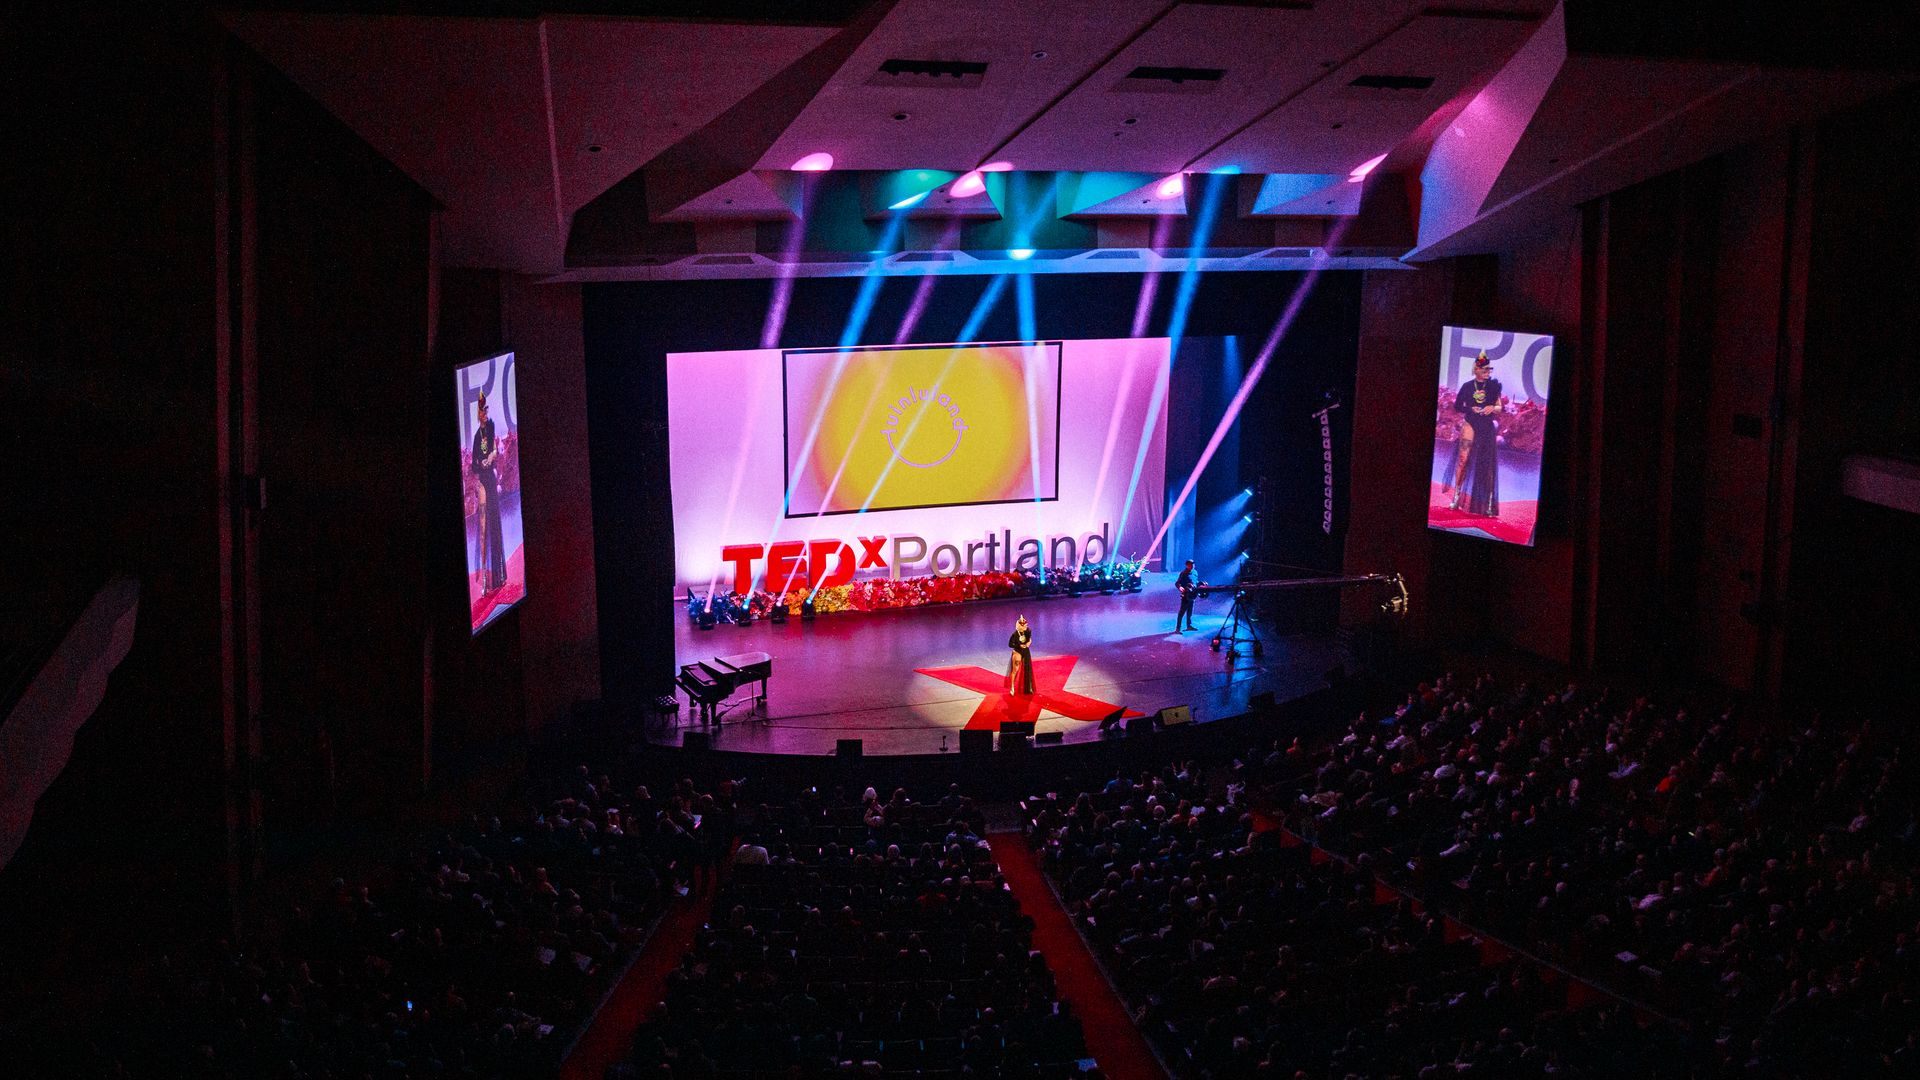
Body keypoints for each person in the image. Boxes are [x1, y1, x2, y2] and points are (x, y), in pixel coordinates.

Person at [1446, 352, 1503, 515]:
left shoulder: (1493, 386)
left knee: (1488, 463)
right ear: (1476, 369)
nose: (1488, 372)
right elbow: (1458, 406)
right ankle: (1456, 497)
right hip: (1470, 423)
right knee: (1463, 459)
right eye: (1485, 369)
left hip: (1486, 426)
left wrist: (1492, 408)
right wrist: (1470, 408)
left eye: (1489, 370)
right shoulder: (1467, 386)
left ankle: (1490, 502)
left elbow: (1499, 407)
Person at [471, 392, 507, 591]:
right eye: (483, 411)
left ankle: (498, 576)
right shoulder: (477, 436)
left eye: (486, 411)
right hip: (483, 482)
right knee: (484, 528)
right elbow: (473, 465)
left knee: (495, 523)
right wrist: (480, 462)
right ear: (479, 414)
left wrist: (491, 457)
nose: (486, 414)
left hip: (491, 480)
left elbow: (494, 449)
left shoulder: (491, 427)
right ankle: (486, 580)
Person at [1006, 615, 1035, 695]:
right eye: (1025, 625)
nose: (1026, 626)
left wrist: (1029, 643)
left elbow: (1029, 639)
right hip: (1018, 651)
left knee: (1027, 668)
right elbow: (1010, 644)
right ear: (1020, 626)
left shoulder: (1028, 631)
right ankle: (1012, 687)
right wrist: (1019, 646)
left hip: (1025, 650)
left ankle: (1028, 687)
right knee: (1015, 669)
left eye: (1026, 625)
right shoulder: (1015, 634)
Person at [1174, 559, 1199, 632]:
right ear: (1187, 565)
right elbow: (1177, 583)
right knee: (1182, 612)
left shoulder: (1195, 572)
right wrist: (1180, 587)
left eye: (1193, 564)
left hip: (1193, 595)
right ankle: (1178, 629)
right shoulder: (1183, 573)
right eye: (1191, 564)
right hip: (1186, 596)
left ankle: (1189, 626)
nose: (1192, 566)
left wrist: (1199, 585)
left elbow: (1195, 581)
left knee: (1190, 612)